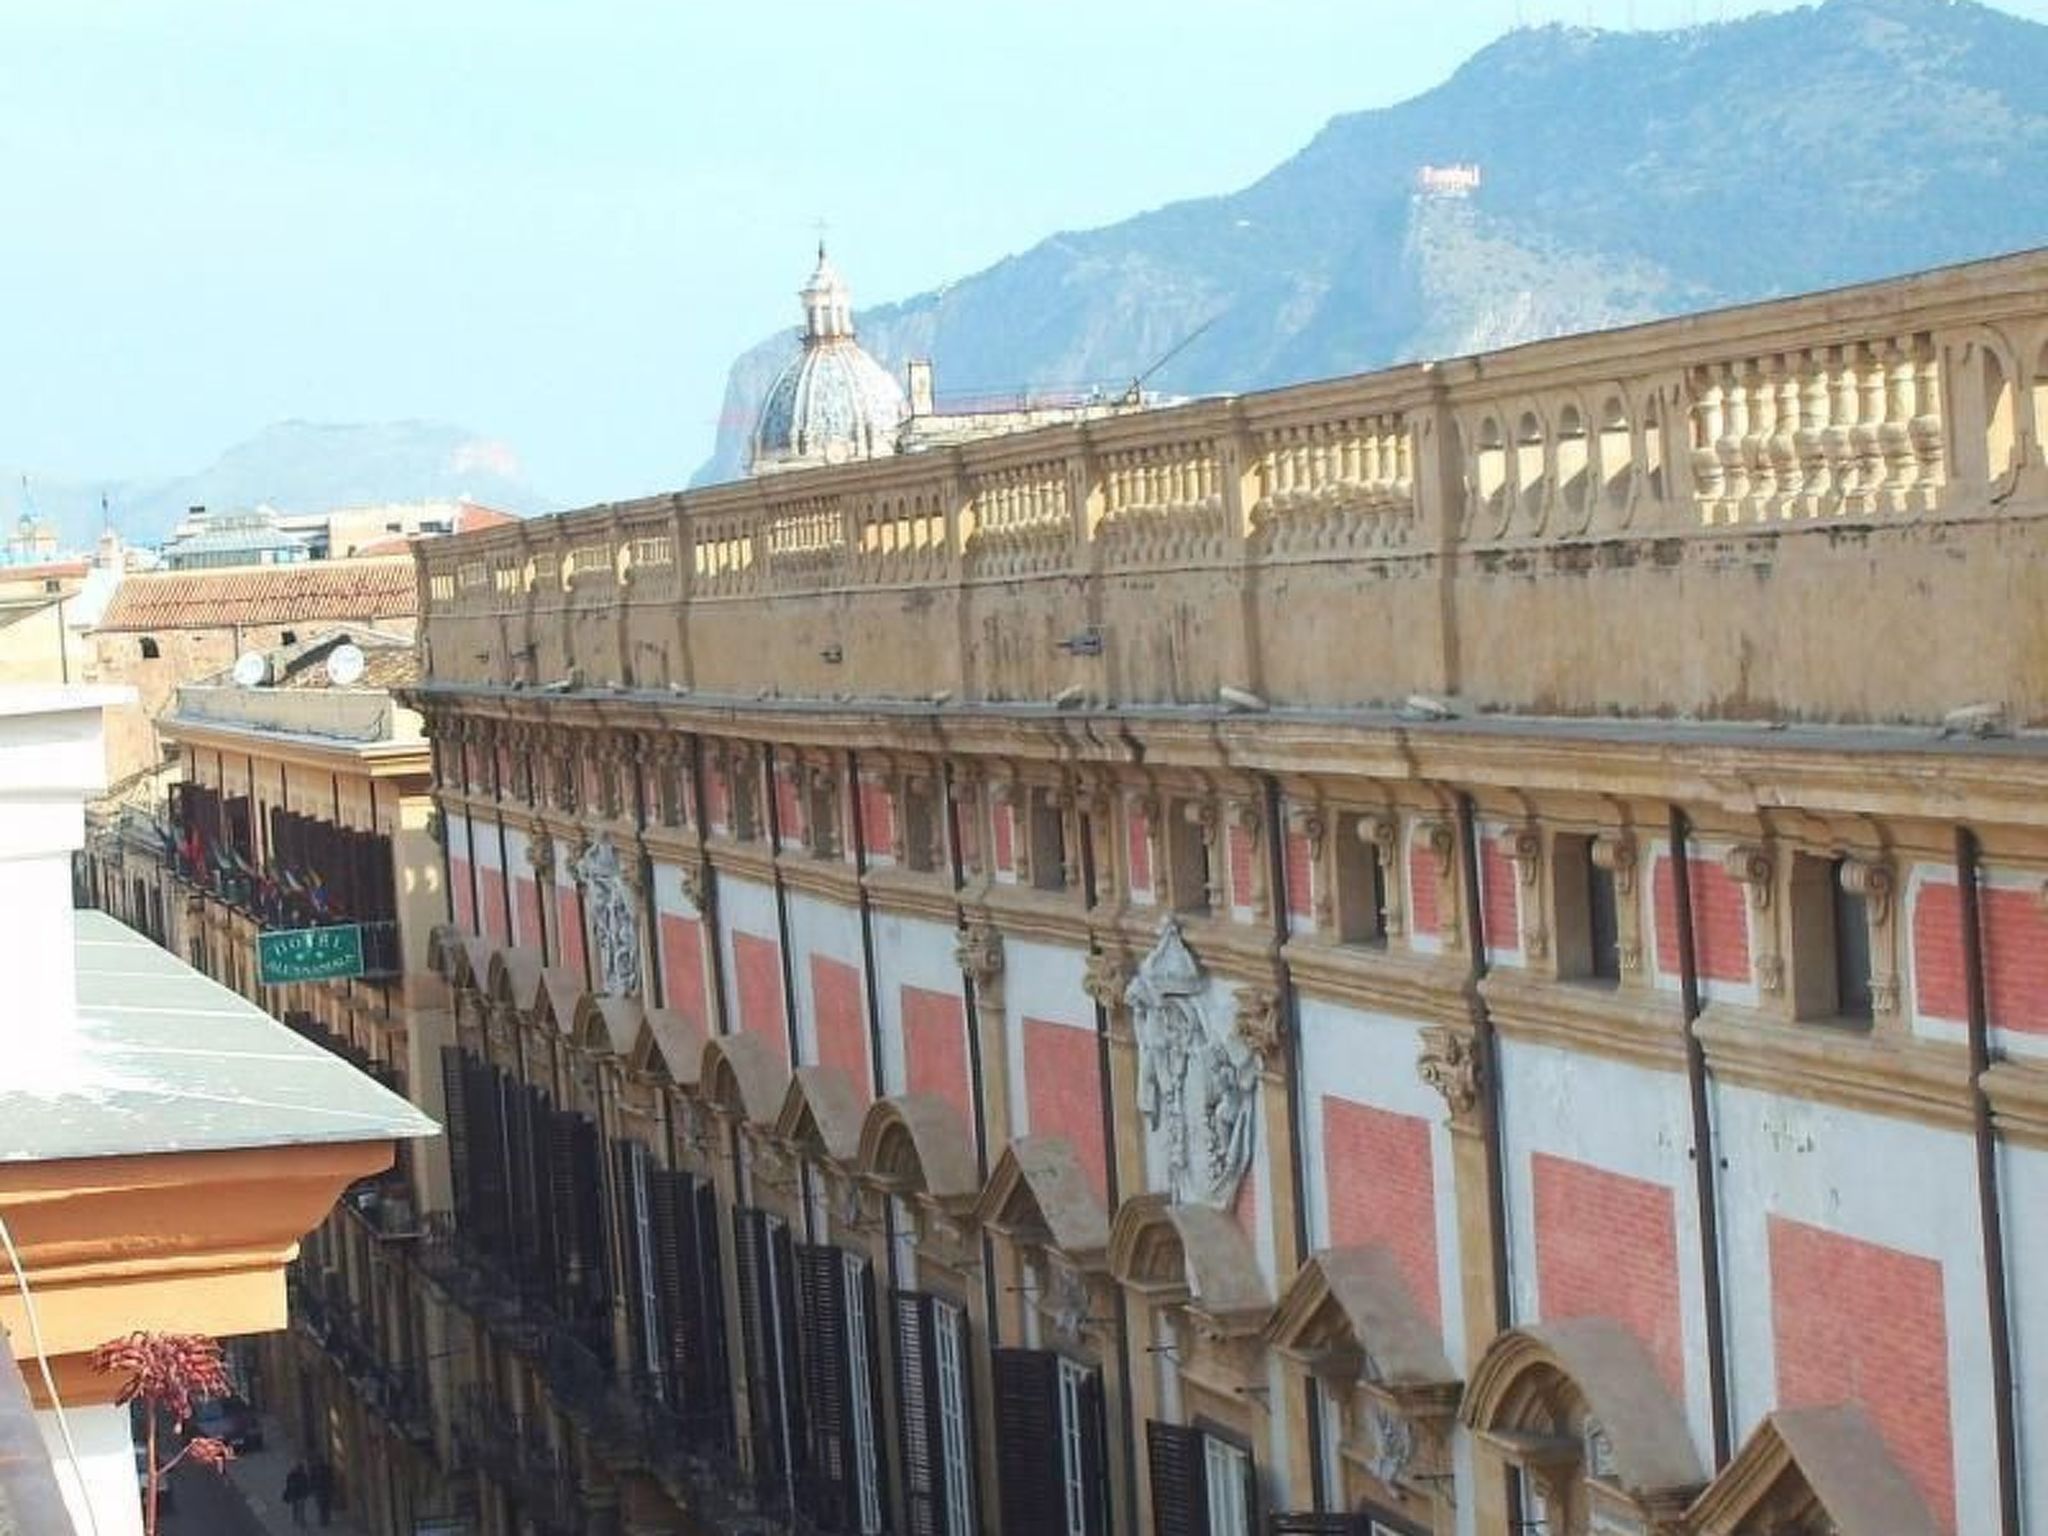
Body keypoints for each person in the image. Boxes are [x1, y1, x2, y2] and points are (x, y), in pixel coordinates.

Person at [309, 1458, 334, 1527]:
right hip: (323, 1489)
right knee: (324, 1506)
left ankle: (324, 1520)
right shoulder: (325, 1468)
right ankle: (325, 1519)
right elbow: (331, 1478)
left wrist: (312, 1487)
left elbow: (312, 1479)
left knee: (323, 1506)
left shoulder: (316, 1469)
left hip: (322, 1489)